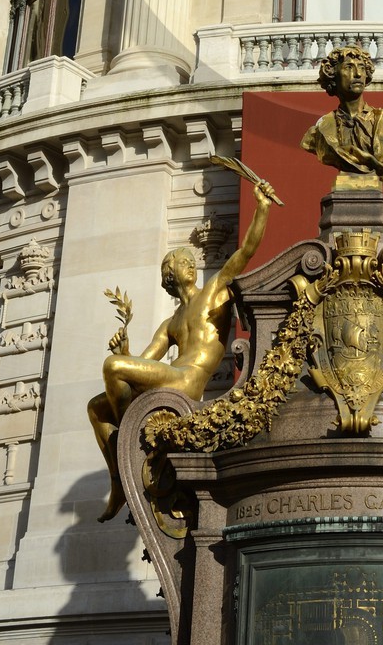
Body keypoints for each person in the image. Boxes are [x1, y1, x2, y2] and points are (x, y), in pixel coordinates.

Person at [87, 179, 278, 520]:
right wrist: (127, 348)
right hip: (171, 377)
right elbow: (144, 363)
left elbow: (245, 251)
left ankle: (128, 438)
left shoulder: (215, 291)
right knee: (97, 406)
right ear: (170, 276)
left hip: (188, 380)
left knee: (113, 368)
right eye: (181, 261)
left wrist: (261, 207)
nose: (189, 263)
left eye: (190, 260)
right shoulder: (171, 323)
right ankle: (119, 478)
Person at [301, 46, 383, 186]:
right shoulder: (319, 132)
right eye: (349, 67)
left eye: (361, 67)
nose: (358, 74)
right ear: (333, 75)